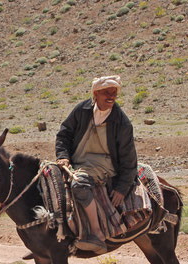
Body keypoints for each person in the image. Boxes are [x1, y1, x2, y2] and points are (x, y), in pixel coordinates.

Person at [55, 75, 137, 253]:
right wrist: (63, 156)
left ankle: (96, 233)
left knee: (80, 185)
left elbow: (129, 159)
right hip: (76, 160)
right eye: (106, 92)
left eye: (114, 93)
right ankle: (44, 240)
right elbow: (64, 134)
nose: (111, 96)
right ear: (95, 94)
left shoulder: (122, 122)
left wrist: (122, 188)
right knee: (48, 182)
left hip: (103, 164)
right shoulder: (82, 110)